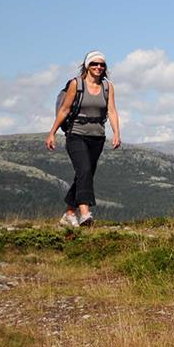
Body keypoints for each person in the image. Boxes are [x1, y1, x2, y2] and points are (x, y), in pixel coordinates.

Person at [45, 51, 120, 227]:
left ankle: (69, 214)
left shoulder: (108, 87)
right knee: (84, 170)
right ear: (87, 65)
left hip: (97, 136)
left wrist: (116, 132)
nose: (98, 67)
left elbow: (112, 110)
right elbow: (64, 110)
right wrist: (52, 133)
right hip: (76, 134)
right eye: (94, 64)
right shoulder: (76, 84)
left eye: (102, 65)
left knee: (85, 174)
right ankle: (85, 214)